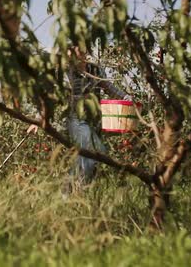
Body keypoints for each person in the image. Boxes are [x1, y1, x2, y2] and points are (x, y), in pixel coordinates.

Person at [28, 46, 128, 189]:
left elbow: (109, 88)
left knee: (88, 155)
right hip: (75, 119)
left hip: (94, 121)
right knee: (95, 151)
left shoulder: (95, 70)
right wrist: (39, 118)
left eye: (77, 51)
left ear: (83, 52)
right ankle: (78, 189)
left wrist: (127, 98)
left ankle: (67, 191)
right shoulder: (63, 73)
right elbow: (51, 97)